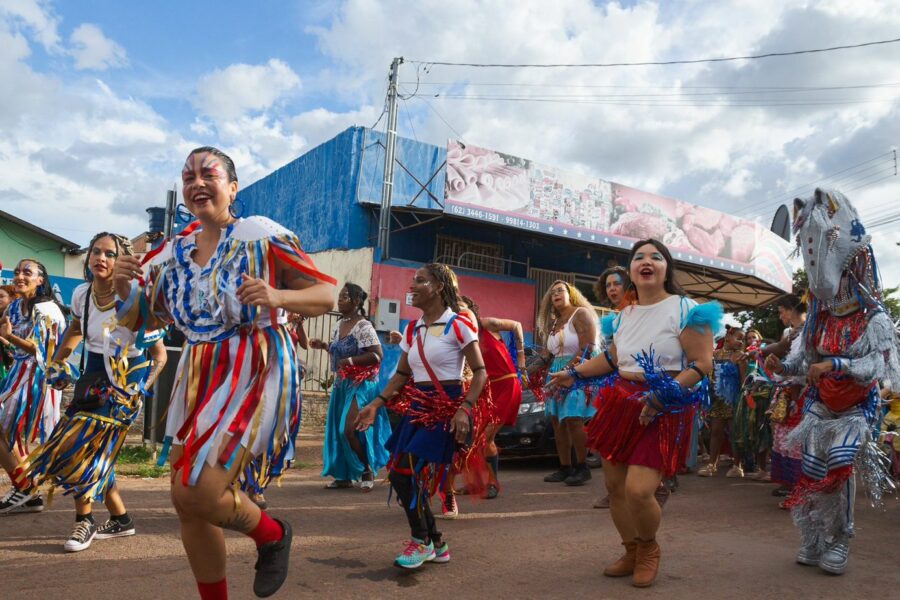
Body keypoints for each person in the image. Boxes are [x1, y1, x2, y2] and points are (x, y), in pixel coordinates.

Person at [112, 146, 336, 599]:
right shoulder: (172, 254)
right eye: (187, 175)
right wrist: (120, 280)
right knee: (186, 505)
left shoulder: (261, 236)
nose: (196, 183)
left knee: (198, 491)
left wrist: (278, 297)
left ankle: (273, 534)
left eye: (207, 174)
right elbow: (142, 319)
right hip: (196, 377)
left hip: (253, 368)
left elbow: (326, 295)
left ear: (232, 188)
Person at [550, 238, 721, 588]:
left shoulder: (687, 308)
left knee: (639, 491)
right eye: (639, 257)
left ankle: (648, 549)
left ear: (666, 268)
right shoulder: (624, 315)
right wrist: (574, 373)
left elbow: (703, 364)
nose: (647, 261)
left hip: (665, 404)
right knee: (614, 486)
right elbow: (613, 359)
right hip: (621, 400)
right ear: (630, 271)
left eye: (656, 257)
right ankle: (630, 549)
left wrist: (663, 396)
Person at [767, 189, 899, 575]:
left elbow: (878, 368)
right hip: (819, 405)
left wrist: (836, 364)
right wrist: (782, 367)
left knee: (840, 464)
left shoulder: (874, 320)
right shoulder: (818, 321)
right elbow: (803, 363)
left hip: (856, 407)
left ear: (854, 273)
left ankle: (842, 539)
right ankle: (813, 536)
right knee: (811, 468)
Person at [22, 233, 168, 551]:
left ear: (121, 261)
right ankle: (121, 519)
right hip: (92, 377)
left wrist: (141, 389)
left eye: (109, 254)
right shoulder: (82, 295)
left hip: (126, 380)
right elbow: (75, 330)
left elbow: (160, 355)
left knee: (77, 448)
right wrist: (59, 363)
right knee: (95, 455)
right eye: (96, 252)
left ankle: (83, 522)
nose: (101, 258)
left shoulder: (136, 298)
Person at [355, 263, 486, 570]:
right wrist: (376, 404)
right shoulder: (413, 330)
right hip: (417, 408)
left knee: (403, 472)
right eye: (413, 280)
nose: (412, 286)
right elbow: (402, 373)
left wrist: (466, 407)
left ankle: (421, 540)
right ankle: (436, 542)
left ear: (440, 286)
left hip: (446, 409)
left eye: (420, 281)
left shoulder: (458, 325)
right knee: (404, 474)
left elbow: (480, 372)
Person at [0, 259, 66, 514]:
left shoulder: (48, 309)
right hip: (18, 372)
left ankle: (26, 488)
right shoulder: (16, 305)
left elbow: (46, 352)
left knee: (11, 434)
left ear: (41, 280)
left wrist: (11, 337)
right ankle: (26, 489)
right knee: (9, 436)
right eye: (17, 271)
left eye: (27, 272)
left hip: (38, 377)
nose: (19, 275)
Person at [309, 283, 389, 491]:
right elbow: (340, 352)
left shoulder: (363, 326)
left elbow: (377, 354)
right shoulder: (338, 325)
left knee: (348, 429)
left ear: (355, 301)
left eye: (345, 296)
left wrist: (351, 361)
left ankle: (366, 470)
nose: (340, 299)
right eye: (340, 296)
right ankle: (343, 476)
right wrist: (324, 346)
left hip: (361, 384)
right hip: (342, 383)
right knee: (338, 431)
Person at [531, 280, 599, 486]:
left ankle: (582, 467)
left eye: (560, 290)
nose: (556, 294)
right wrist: (527, 371)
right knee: (557, 421)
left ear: (571, 294)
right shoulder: (554, 323)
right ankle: (565, 467)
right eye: (552, 293)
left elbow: (588, 348)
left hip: (577, 370)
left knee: (572, 418)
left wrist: (569, 371)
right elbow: (546, 354)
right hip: (556, 373)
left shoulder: (580, 314)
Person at [458, 295, 524, 499]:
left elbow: (517, 325)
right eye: (455, 308)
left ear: (471, 309)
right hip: (487, 390)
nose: (459, 310)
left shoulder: (486, 324)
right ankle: (478, 483)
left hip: (507, 383)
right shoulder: (463, 336)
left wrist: (521, 358)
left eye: (462, 306)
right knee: (476, 437)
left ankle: (492, 484)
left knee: (485, 436)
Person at [698, 327, 746, 476]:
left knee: (734, 433)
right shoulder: (714, 355)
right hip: (717, 400)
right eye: (739, 338)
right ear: (727, 337)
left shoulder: (740, 357)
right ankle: (712, 465)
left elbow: (744, 380)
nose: (741, 342)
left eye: (743, 339)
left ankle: (737, 466)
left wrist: (743, 400)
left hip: (733, 400)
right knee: (716, 432)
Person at [0, 285, 20, 385]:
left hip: (10, 372)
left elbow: (21, 351)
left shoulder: (17, 321)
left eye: (1, 296)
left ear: (12, 298)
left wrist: (7, 341)